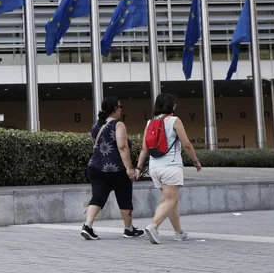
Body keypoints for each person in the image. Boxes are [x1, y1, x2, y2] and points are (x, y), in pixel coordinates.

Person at [135, 93, 202, 244]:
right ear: (171, 106)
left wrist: (139, 167)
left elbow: (144, 148)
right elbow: (186, 144)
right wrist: (195, 160)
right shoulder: (174, 121)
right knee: (169, 199)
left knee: (172, 200)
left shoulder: (149, 123)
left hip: (154, 167)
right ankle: (153, 226)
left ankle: (179, 232)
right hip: (171, 166)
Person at [81, 96, 144, 240]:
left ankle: (87, 226)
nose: (121, 109)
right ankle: (129, 229)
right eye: (120, 107)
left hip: (95, 167)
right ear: (114, 109)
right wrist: (129, 168)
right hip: (116, 169)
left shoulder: (96, 125)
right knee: (124, 197)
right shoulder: (118, 125)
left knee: (97, 197)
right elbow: (122, 147)